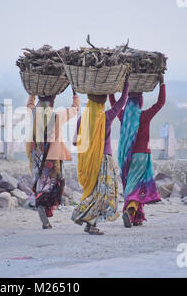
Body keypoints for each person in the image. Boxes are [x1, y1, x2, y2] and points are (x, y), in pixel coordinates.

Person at [71, 76, 130, 235]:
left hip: (89, 163)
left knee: (95, 193)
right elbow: (121, 102)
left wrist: (89, 148)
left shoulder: (82, 119)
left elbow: (75, 143)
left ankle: (91, 223)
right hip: (104, 161)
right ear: (102, 103)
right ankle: (82, 215)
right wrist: (126, 83)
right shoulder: (106, 117)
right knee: (104, 194)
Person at [110, 74, 166, 228]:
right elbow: (160, 103)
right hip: (142, 156)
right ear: (140, 103)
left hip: (126, 156)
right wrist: (162, 83)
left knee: (132, 184)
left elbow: (114, 103)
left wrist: (112, 88)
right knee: (137, 186)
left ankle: (136, 216)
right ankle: (130, 210)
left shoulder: (123, 117)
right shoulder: (144, 116)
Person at [26, 90, 80, 229]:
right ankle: (44, 206)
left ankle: (41, 205)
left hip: (38, 157)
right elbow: (75, 109)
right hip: (53, 158)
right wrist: (75, 93)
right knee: (56, 185)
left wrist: (32, 91)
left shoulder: (35, 114)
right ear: (53, 100)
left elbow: (30, 104)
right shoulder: (57, 116)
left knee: (42, 183)